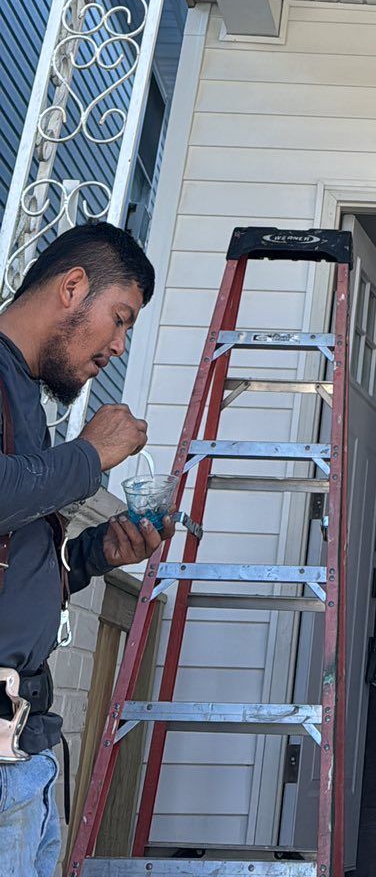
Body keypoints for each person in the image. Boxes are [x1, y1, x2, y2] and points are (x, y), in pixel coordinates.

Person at [0, 222, 166, 877]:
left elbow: (19, 555)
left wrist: (99, 553)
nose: (118, 346)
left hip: (26, 758)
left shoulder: (25, 397)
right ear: (73, 287)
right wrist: (92, 454)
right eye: (120, 319)